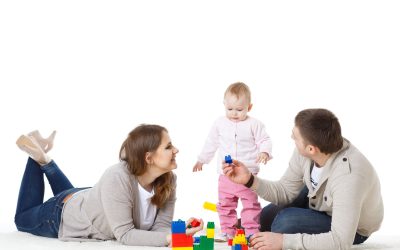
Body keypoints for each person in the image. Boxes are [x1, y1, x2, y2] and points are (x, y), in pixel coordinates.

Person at [14, 125, 203, 247]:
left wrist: (176, 232)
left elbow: (160, 227)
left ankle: (45, 159)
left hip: (88, 199)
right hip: (61, 214)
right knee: (21, 219)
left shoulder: (169, 179)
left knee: (72, 197)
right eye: (169, 146)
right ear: (149, 158)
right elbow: (125, 235)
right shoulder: (117, 177)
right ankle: (37, 158)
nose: (176, 150)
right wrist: (170, 238)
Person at [223, 108, 384, 250]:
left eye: (295, 137)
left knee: (282, 224)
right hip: (321, 198)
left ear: (311, 149)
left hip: (353, 228)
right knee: (264, 219)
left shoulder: (349, 177)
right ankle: (299, 218)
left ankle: (296, 220)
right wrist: (249, 180)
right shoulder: (308, 152)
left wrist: (283, 242)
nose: (291, 138)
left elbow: (341, 241)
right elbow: (285, 191)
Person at [193, 82, 273, 239]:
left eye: (239, 110)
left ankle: (251, 232)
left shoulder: (254, 124)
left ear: (249, 107)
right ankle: (227, 231)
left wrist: (264, 152)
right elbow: (211, 142)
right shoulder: (220, 123)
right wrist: (202, 160)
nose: (234, 113)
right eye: (230, 109)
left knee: (250, 205)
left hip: (247, 175)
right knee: (225, 205)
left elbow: (265, 139)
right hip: (226, 175)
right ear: (224, 105)